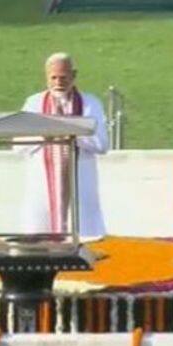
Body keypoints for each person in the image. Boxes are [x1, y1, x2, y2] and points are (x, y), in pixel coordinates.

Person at [20, 52, 108, 236]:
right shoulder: (34, 103)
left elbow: (101, 144)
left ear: (73, 75)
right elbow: (19, 145)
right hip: (42, 180)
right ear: (46, 77)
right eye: (53, 77)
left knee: (83, 235)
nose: (58, 82)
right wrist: (47, 134)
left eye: (63, 77)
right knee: (39, 237)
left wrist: (71, 133)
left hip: (80, 179)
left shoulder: (90, 104)